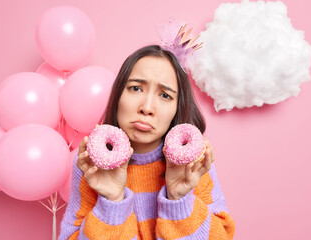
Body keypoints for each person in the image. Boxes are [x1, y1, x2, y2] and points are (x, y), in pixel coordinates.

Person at [58, 45, 235, 239]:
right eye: (135, 88)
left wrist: (179, 199)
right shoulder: (90, 164)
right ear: (118, 96)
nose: (147, 107)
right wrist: (112, 202)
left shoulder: (193, 164)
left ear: (178, 107)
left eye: (165, 95)